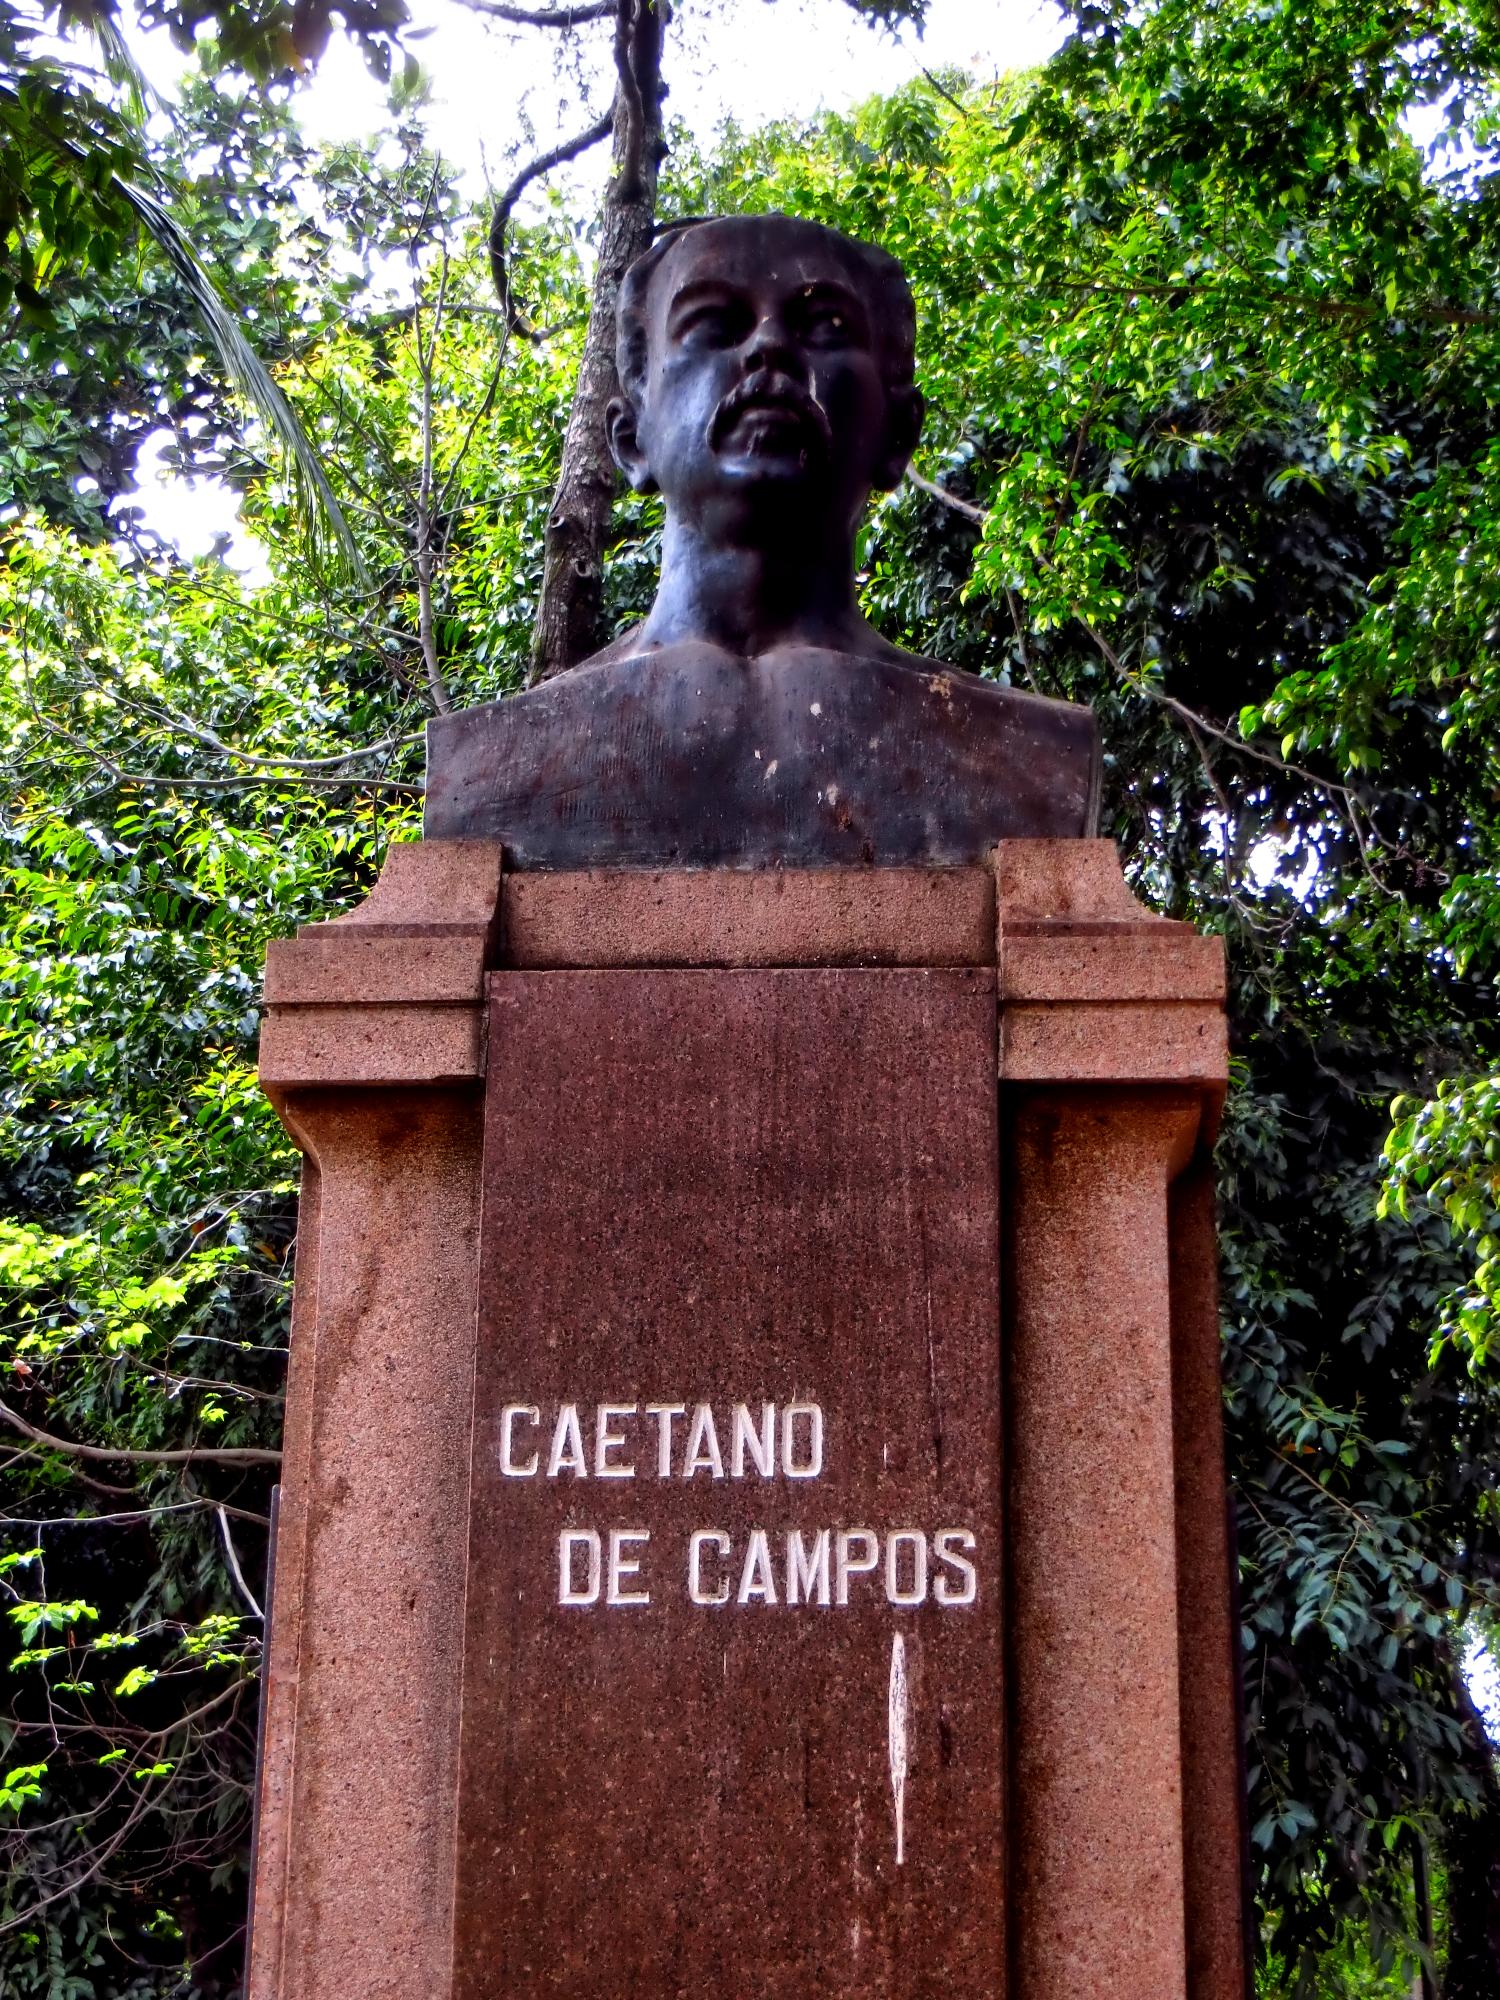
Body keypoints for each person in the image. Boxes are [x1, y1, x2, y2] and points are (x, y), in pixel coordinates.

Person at [425, 212, 1098, 863]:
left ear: (898, 437)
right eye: (713, 326)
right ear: (631, 440)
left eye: (828, 328)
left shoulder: (1021, 756)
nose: (769, 347)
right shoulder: (494, 766)